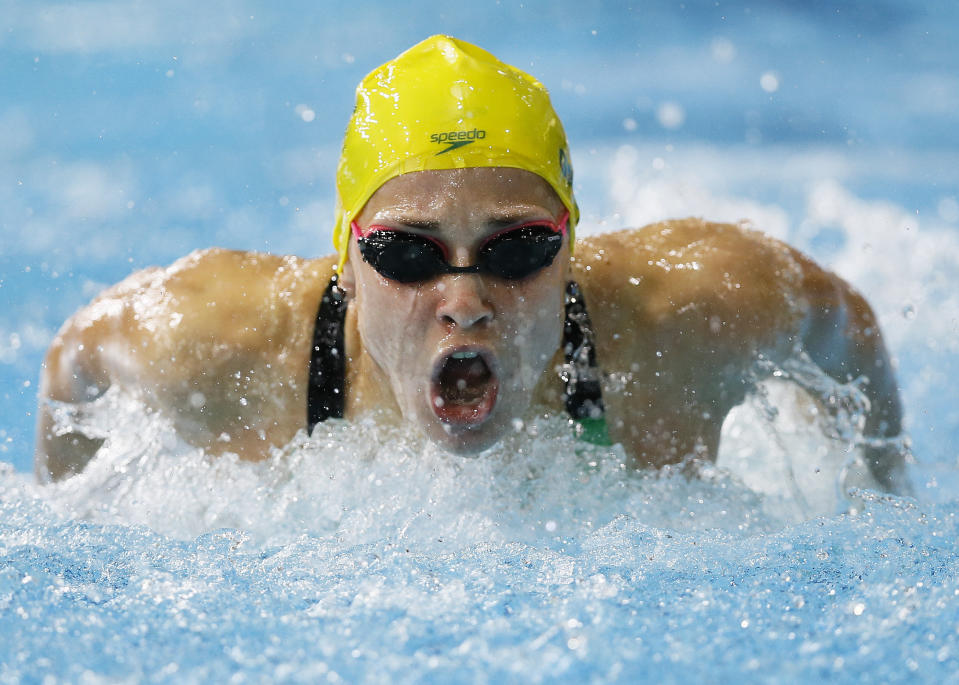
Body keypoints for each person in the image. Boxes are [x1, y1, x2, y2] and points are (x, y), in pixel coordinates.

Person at [34, 36, 908, 492]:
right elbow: (74, 361)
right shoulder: (214, 342)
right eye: (408, 253)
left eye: (516, 248)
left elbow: (847, 325)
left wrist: (878, 488)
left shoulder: (687, 318)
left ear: (569, 244)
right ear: (346, 257)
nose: (465, 300)